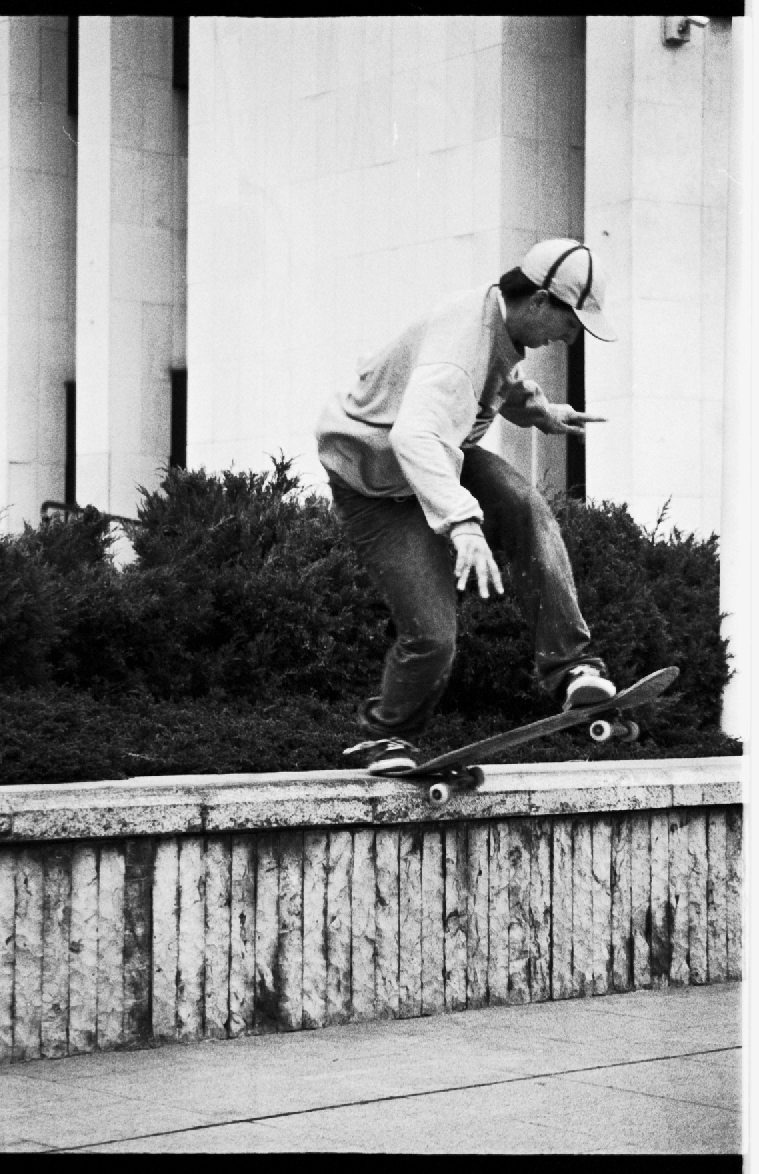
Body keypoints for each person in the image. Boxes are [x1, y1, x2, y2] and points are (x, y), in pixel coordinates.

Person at [316, 238, 619, 774]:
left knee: (524, 506)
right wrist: (464, 524)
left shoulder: (496, 319)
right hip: (376, 485)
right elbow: (414, 435)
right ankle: (386, 736)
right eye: (569, 323)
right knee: (432, 636)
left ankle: (573, 666)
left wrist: (541, 412)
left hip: (440, 459)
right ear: (541, 301)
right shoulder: (459, 352)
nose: (568, 339)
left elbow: (498, 383)